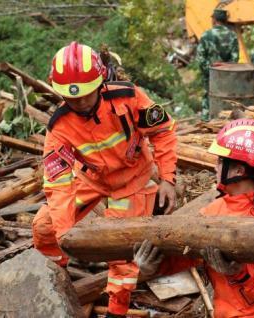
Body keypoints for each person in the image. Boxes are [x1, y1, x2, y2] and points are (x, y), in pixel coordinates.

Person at [32, 42, 178, 317]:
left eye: (86, 95)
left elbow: (163, 132)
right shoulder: (59, 125)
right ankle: (56, 283)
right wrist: (65, 235)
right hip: (92, 181)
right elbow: (58, 181)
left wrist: (168, 179)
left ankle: (116, 311)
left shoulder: (128, 96)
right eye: (71, 98)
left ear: (100, 83)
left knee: (121, 252)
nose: (80, 103)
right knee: (44, 227)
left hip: (132, 181)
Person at [133, 119, 254, 317]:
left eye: (221, 161)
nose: (215, 167)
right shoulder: (213, 213)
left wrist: (241, 273)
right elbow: (188, 254)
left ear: (238, 171)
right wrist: (154, 265)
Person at [196, 8, 239, 121]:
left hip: (210, 74)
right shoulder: (232, 35)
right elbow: (235, 58)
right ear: (225, 20)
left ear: (214, 19)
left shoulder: (206, 35)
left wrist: (208, 71)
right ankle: (225, 120)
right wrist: (227, 71)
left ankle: (206, 121)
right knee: (226, 98)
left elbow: (201, 57)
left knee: (208, 97)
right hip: (226, 76)